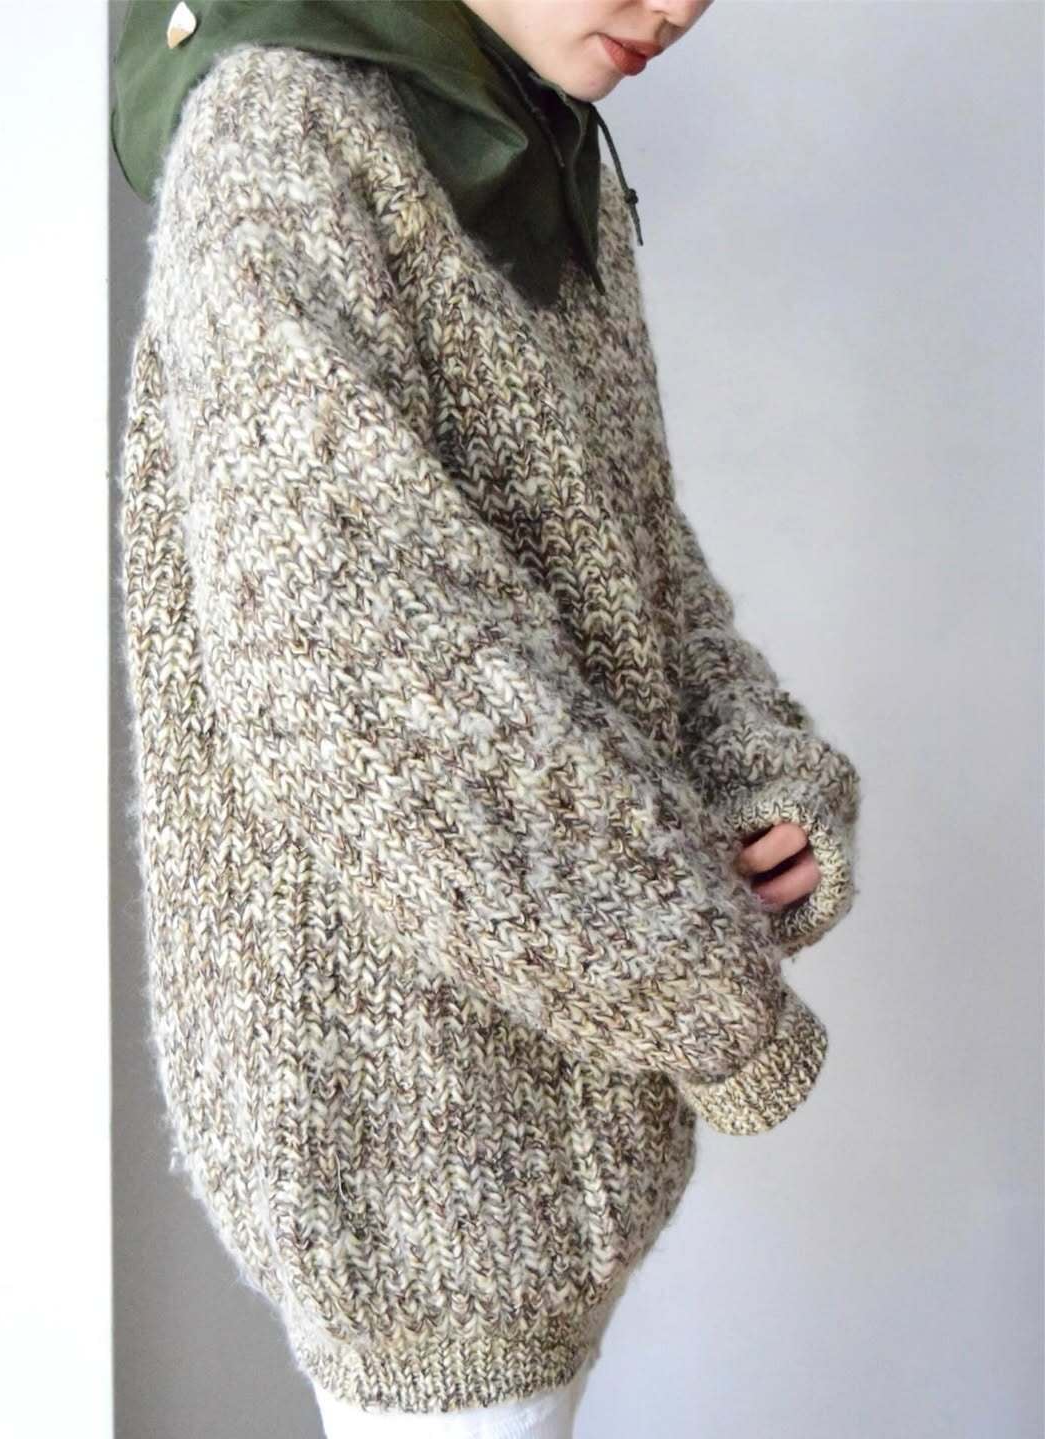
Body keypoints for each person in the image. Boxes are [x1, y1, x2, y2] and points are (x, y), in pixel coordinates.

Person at [112, 2, 862, 1436]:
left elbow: (635, 564)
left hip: (563, 1134)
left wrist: (763, 771)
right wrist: (716, 997)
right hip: (416, 1164)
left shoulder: (533, 141)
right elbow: (368, 696)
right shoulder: (287, 136)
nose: (680, 6)